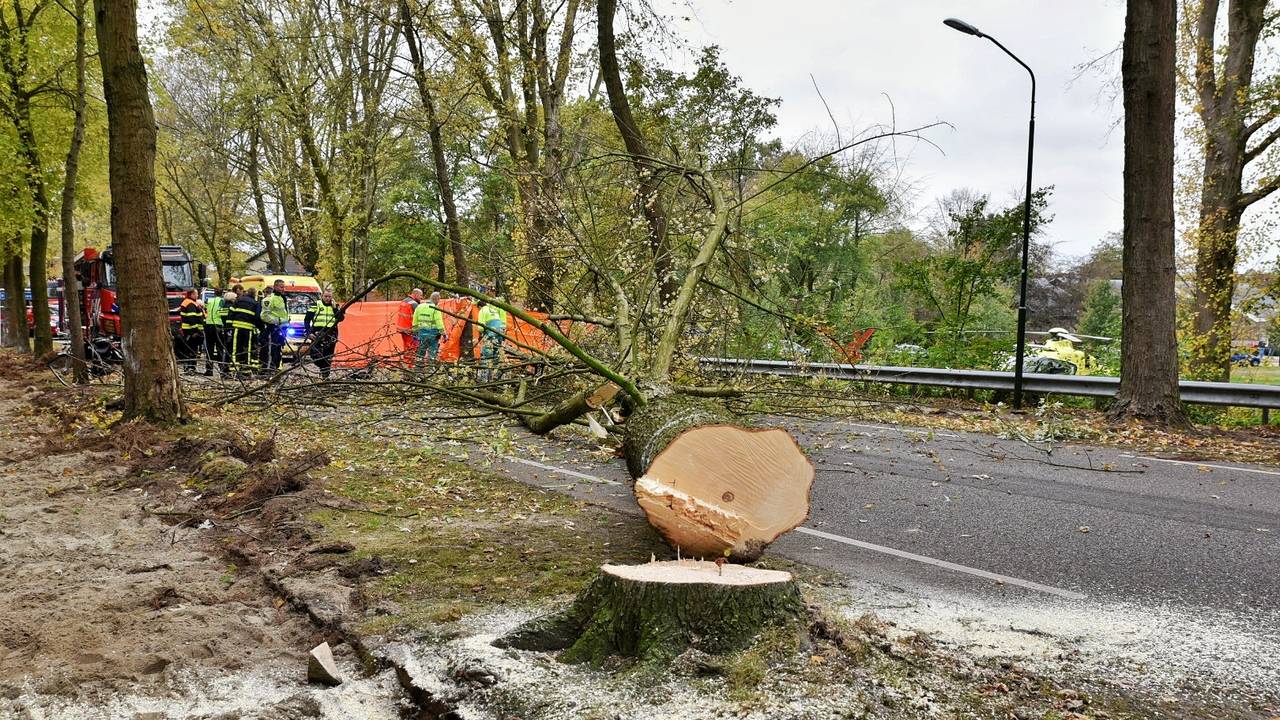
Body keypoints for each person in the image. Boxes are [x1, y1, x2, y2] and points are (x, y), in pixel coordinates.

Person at [305, 288, 343, 379]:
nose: (327, 298)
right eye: (326, 296)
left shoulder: (335, 306)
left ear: (332, 297)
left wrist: (335, 309)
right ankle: (323, 368)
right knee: (314, 354)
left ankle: (325, 375)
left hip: (331, 334)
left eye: (329, 297)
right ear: (322, 296)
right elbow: (307, 320)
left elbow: (341, 318)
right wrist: (308, 332)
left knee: (328, 356)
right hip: (317, 333)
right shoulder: (316, 305)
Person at [227, 288, 263, 377]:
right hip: (248, 329)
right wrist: (261, 328)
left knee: (235, 348)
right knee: (247, 349)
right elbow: (257, 317)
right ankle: (246, 370)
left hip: (237, 327)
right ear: (254, 295)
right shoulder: (256, 303)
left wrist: (228, 327)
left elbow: (231, 313)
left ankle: (234, 368)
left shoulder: (238, 300)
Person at [259, 279, 289, 372]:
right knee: (271, 349)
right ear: (275, 287)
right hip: (273, 328)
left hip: (282, 328)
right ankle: (268, 369)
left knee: (278, 349)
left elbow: (284, 313)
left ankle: (277, 368)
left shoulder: (283, 298)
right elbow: (264, 315)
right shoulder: (269, 299)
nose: (283, 289)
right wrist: (277, 321)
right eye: (281, 287)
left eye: (283, 287)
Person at [411, 291, 447, 369]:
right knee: (432, 353)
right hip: (433, 335)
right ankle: (430, 370)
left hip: (422, 334)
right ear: (437, 299)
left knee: (421, 352)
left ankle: (418, 369)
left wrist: (415, 332)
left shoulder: (419, 307)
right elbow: (439, 322)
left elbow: (415, 320)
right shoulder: (435, 308)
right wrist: (444, 334)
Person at [476, 298, 508, 381]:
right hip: (500, 333)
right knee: (497, 354)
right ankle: (496, 378)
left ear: (479, 306)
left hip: (492, 333)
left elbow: (480, 327)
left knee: (486, 354)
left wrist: (481, 335)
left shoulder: (482, 310)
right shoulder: (493, 310)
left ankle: (484, 378)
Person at [203, 288, 233, 376]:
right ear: (222, 293)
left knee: (209, 348)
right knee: (220, 348)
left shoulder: (208, 300)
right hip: (218, 326)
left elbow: (205, 310)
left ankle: (209, 370)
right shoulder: (222, 301)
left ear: (214, 293)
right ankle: (221, 370)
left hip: (208, 325)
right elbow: (223, 314)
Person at [176, 289, 205, 374]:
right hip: (191, 331)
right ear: (191, 294)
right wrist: (195, 331)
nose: (197, 296)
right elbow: (192, 318)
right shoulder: (190, 304)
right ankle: (190, 367)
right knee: (191, 349)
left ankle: (190, 367)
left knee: (190, 349)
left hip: (189, 330)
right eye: (196, 294)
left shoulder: (189, 302)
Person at [397, 288, 423, 362]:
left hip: (402, 328)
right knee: (412, 347)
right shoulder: (414, 304)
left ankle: (407, 361)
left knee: (406, 346)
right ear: (416, 294)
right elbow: (418, 318)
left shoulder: (404, 301)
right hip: (409, 329)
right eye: (421, 295)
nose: (421, 297)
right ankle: (410, 364)